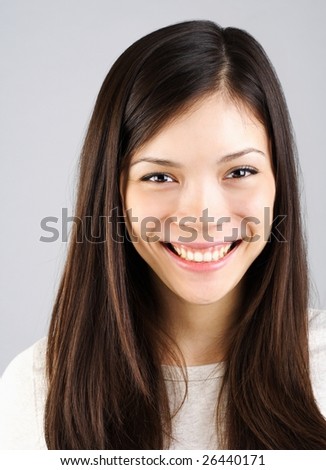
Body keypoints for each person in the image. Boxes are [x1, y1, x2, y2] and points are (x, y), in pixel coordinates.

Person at [1, 19, 326, 450]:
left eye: (240, 171)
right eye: (159, 177)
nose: (203, 216)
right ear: (115, 196)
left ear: (278, 183)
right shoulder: (36, 391)